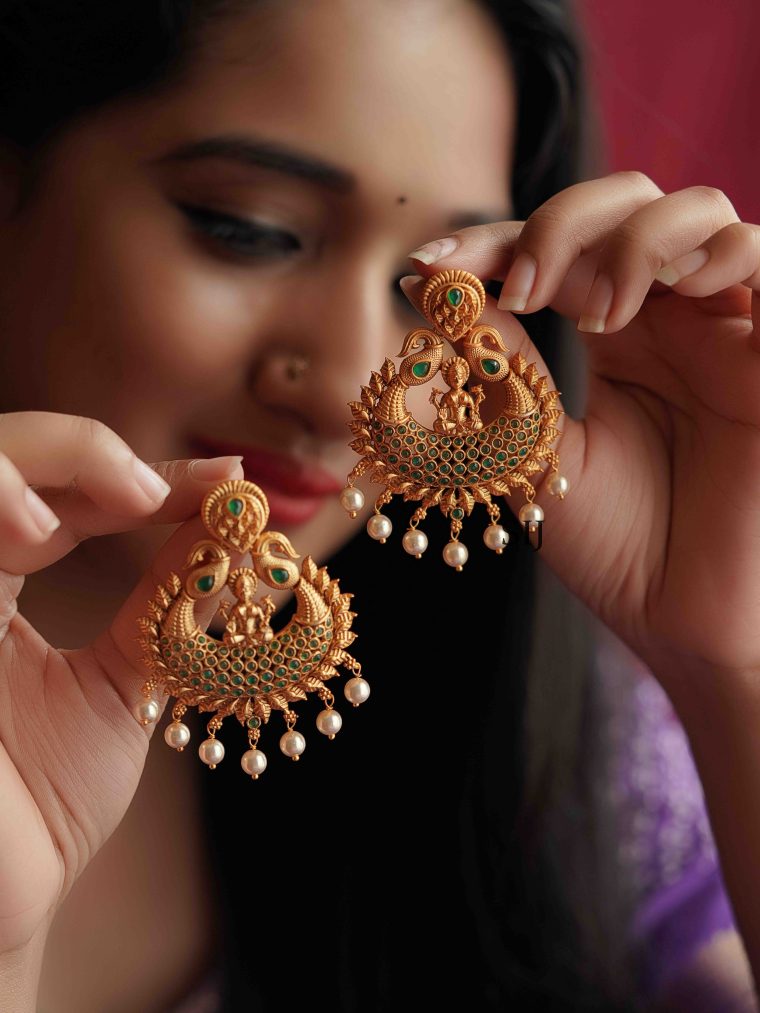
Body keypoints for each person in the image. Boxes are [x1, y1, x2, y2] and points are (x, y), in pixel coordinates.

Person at [0, 1, 758, 1010]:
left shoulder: (566, 779)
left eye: (428, 289)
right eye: (252, 232)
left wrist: (730, 666)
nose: (349, 383)